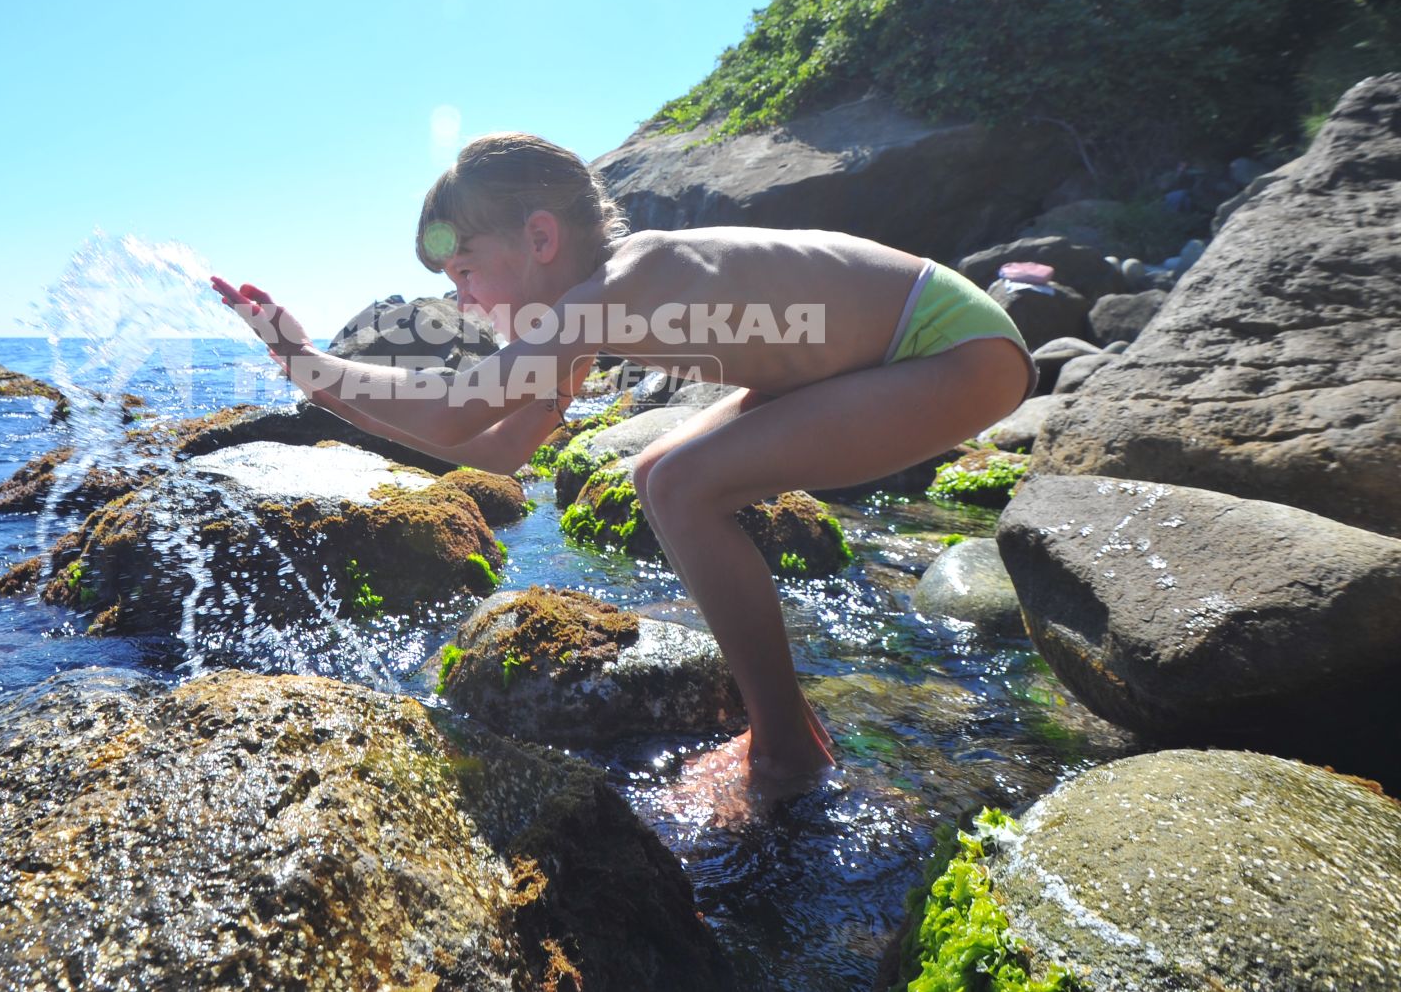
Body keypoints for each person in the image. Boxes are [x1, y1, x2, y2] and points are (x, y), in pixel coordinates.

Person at [212, 132, 1033, 807]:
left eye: (465, 272)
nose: (462, 300)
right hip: (884, 354)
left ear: (540, 238)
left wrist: (306, 357)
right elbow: (496, 448)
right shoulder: (597, 309)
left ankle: (784, 750)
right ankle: (787, 725)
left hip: (950, 349)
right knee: (656, 471)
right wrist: (311, 379)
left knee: (678, 484)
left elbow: (460, 405)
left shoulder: (629, 280)